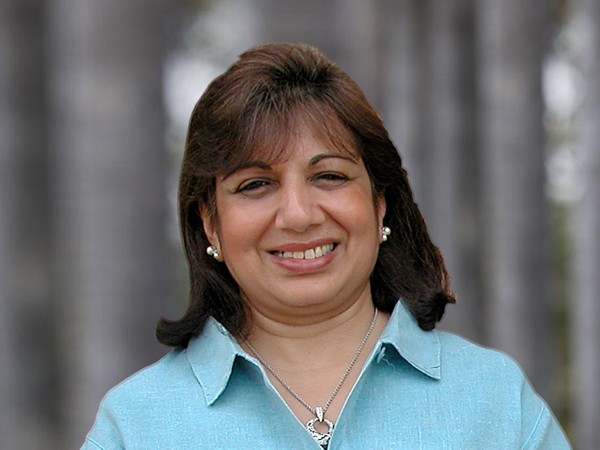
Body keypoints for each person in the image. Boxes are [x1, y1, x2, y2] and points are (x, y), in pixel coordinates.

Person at [82, 43, 570, 449]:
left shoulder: (495, 402)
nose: (298, 215)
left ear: (379, 204)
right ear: (210, 225)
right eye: (255, 185)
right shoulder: (136, 426)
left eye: (330, 176)